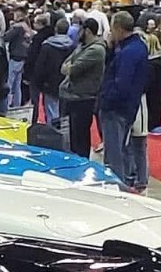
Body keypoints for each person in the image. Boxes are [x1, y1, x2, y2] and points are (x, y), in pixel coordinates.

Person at [97, 12, 150, 189]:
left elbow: (122, 83)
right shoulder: (137, 47)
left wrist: (106, 100)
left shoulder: (128, 52)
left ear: (118, 28)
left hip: (116, 109)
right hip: (127, 107)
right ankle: (124, 182)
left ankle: (116, 187)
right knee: (122, 149)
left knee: (113, 154)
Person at [58, 18, 105, 160]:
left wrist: (69, 68)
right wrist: (69, 68)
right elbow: (64, 66)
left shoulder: (96, 50)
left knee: (81, 138)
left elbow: (71, 69)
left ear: (88, 31)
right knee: (71, 137)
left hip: (84, 98)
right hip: (72, 96)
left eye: (80, 30)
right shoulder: (82, 47)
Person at [26, 14, 72, 127]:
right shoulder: (72, 46)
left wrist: (38, 82)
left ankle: (53, 135)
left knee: (51, 110)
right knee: (61, 110)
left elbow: (40, 66)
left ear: (56, 28)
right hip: (65, 82)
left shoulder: (47, 45)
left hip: (49, 83)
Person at [140, 10, 161, 135]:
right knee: (153, 98)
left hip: (160, 70)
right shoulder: (156, 36)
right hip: (156, 70)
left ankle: (154, 123)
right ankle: (152, 124)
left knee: (155, 98)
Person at [2, 8, 31, 111]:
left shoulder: (17, 27)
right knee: (17, 84)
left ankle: (7, 104)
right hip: (24, 57)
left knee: (10, 82)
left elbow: (5, 37)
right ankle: (17, 105)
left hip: (15, 56)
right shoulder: (27, 27)